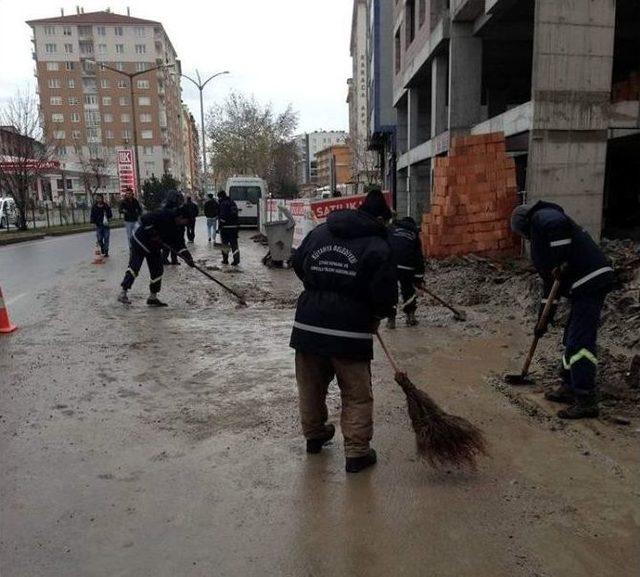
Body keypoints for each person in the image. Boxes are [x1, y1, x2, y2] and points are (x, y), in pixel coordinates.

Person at [290, 188, 397, 473]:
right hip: (350, 330)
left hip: (308, 324)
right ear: (380, 218)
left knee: (310, 386)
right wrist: (378, 313)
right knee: (356, 393)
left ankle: (314, 437)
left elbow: (297, 263)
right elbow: (385, 293)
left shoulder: (320, 232)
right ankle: (357, 453)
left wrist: (319, 287)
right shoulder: (377, 244)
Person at [511, 201, 615, 419]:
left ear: (525, 226)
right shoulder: (544, 241)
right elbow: (550, 289)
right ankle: (569, 385)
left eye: (525, 235)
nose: (528, 240)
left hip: (591, 281)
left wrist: (561, 258)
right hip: (583, 285)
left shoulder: (542, 216)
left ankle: (586, 398)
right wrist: (543, 321)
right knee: (570, 337)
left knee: (580, 341)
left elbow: (556, 224)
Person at [118, 205, 195, 307]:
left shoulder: (179, 228)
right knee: (134, 267)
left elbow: (179, 244)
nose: (186, 224)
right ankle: (123, 292)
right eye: (186, 221)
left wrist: (188, 258)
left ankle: (152, 297)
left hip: (154, 247)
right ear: (180, 217)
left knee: (157, 270)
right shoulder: (164, 214)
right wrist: (152, 233)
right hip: (140, 241)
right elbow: (144, 219)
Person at [387, 216, 426, 328]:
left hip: (391, 265)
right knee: (408, 290)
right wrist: (419, 279)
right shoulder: (414, 236)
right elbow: (418, 258)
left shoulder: (391, 230)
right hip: (407, 267)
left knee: (391, 291)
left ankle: (391, 320)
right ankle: (410, 316)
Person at [161, 190, 184, 265]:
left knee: (174, 245)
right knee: (167, 246)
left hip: (173, 229)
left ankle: (174, 260)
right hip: (168, 229)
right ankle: (164, 259)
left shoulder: (174, 205)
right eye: (177, 197)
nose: (178, 199)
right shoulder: (168, 205)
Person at [217, 190, 240, 266]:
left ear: (220, 197)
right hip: (234, 228)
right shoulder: (233, 203)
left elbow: (222, 217)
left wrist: (220, 226)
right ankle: (236, 259)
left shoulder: (223, 204)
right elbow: (236, 215)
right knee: (234, 244)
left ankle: (225, 260)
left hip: (225, 228)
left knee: (224, 245)